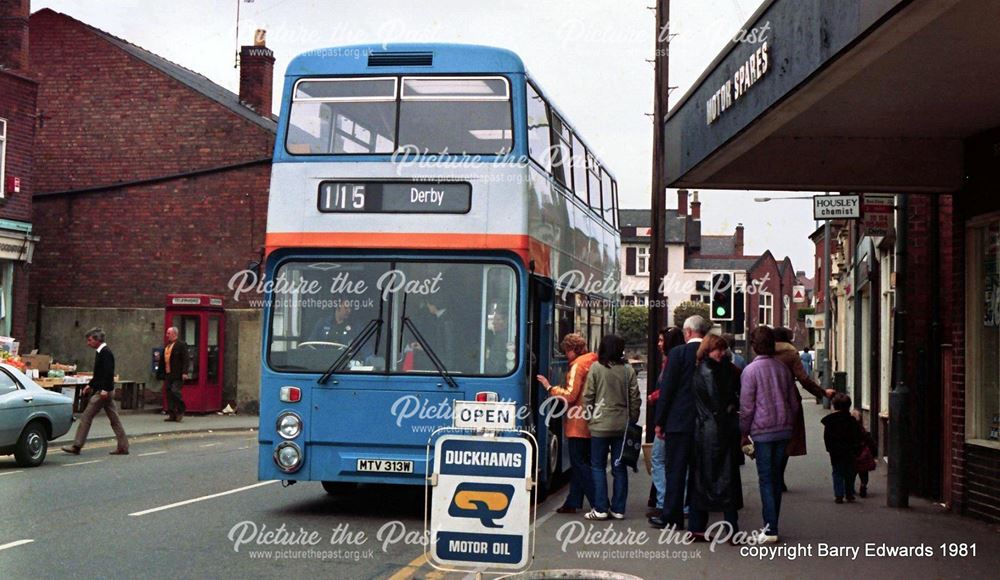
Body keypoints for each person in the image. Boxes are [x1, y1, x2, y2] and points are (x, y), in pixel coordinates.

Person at [649, 315, 711, 530]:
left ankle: (672, 517)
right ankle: (697, 518)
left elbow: (668, 390)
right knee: (698, 472)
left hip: (678, 422)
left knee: (675, 471)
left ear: (688, 332)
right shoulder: (712, 353)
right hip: (704, 424)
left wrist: (660, 422)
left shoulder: (678, 354)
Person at [740, 326, 800, 543]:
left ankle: (770, 527)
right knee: (775, 478)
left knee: (766, 479)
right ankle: (773, 523)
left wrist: (744, 433)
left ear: (754, 346)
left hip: (762, 431)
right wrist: (790, 424)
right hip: (783, 429)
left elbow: (747, 407)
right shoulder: (783, 369)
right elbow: (793, 402)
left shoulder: (750, 371)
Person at [688, 335, 743, 540]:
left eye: (722, 349)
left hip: (704, 431)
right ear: (708, 350)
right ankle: (732, 529)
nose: (720, 353)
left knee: (702, 482)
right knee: (726, 482)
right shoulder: (713, 372)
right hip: (717, 431)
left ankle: (697, 527)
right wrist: (731, 407)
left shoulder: (702, 369)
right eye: (717, 349)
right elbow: (718, 402)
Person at [537, 333, 598, 514]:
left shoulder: (578, 366)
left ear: (574, 350)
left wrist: (550, 388)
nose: (565, 355)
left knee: (579, 463)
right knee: (580, 463)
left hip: (577, 422)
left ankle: (597, 503)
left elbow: (571, 395)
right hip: (589, 419)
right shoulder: (592, 360)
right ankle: (573, 501)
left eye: (567, 351)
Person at [582, 334, 640, 520]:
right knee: (619, 467)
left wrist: (588, 417)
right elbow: (635, 398)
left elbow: (588, 396)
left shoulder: (596, 368)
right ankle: (618, 509)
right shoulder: (627, 370)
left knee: (598, 466)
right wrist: (632, 419)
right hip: (622, 425)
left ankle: (600, 508)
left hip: (600, 425)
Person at [772, 327, 835, 491]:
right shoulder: (791, 354)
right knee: (787, 439)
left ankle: (770, 476)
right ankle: (778, 477)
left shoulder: (764, 354)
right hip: (787, 399)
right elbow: (804, 379)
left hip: (767, 399)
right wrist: (822, 393)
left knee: (769, 439)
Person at [62, 328, 129, 456]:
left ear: (98, 340)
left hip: (103, 392)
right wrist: (90, 385)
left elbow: (109, 372)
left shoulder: (105, 352)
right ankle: (123, 446)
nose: (88, 343)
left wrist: (105, 389)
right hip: (105, 390)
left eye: (90, 340)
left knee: (86, 417)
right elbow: (99, 374)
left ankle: (77, 445)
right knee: (114, 419)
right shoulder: (101, 351)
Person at [646, 326, 684, 517]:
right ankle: (680, 504)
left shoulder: (671, 361)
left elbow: (669, 388)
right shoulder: (679, 359)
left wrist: (653, 397)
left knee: (658, 459)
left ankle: (663, 501)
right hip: (677, 420)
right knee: (676, 462)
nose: (659, 344)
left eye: (661, 340)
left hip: (669, 420)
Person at [822, 393, 863, 503]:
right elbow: (858, 435)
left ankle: (838, 494)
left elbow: (827, 437)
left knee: (837, 472)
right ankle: (849, 493)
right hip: (850, 451)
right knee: (850, 473)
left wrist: (829, 449)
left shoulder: (830, 422)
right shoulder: (852, 421)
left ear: (834, 406)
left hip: (835, 452)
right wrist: (857, 448)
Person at [159, 326, 191, 422]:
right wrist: (160, 374)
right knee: (169, 393)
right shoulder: (167, 346)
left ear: (174, 334)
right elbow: (163, 361)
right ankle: (172, 414)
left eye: (168, 333)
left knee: (175, 391)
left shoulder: (181, 345)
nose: (167, 335)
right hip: (168, 374)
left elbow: (186, 359)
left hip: (178, 374)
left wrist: (185, 372)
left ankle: (181, 409)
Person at [852, 410, 878, 498]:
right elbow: (870, 443)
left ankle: (850, 488)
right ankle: (863, 485)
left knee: (852, 473)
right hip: (863, 454)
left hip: (852, 455)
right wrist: (874, 454)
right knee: (864, 473)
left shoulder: (848, 432)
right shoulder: (863, 431)